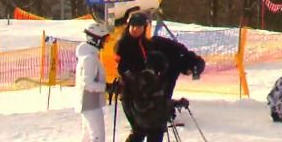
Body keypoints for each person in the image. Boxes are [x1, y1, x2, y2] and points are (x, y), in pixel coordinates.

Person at [116, 12, 206, 142]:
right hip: (133, 95)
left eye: (139, 27)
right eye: (133, 26)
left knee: (154, 129)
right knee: (141, 130)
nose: (136, 29)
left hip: (148, 94)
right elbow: (124, 71)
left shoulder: (148, 44)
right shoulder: (123, 45)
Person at [75, 22, 111, 142]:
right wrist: (106, 87)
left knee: (87, 137)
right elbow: (88, 84)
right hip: (90, 104)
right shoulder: (89, 59)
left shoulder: (89, 56)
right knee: (97, 137)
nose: (105, 43)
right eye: (104, 40)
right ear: (95, 39)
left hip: (89, 103)